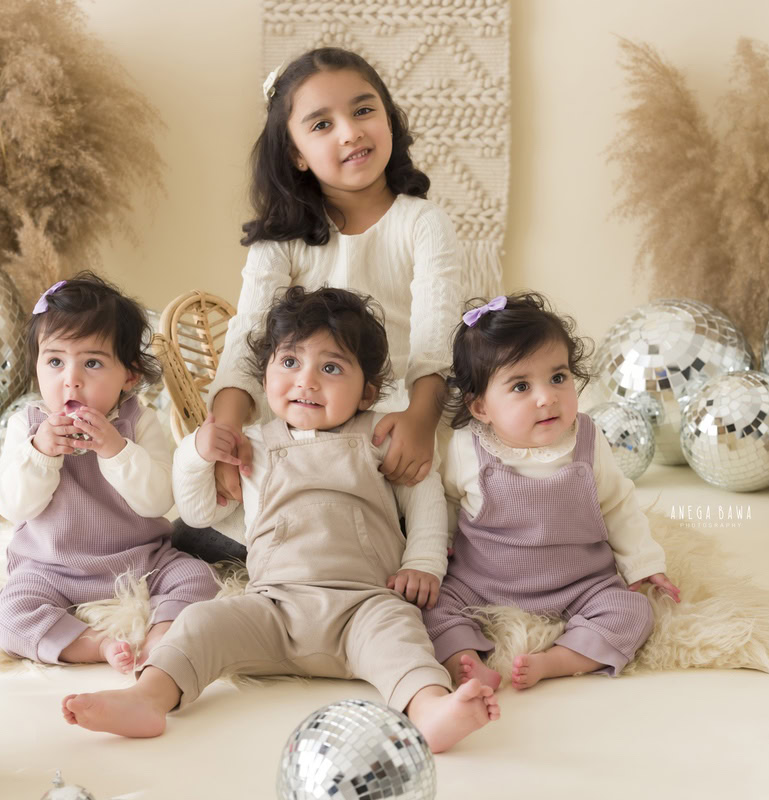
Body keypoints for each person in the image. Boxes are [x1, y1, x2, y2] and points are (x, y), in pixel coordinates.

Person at [62, 287, 499, 752]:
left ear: (368, 391)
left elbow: (423, 490)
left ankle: (430, 709)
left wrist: (424, 563)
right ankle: (148, 697)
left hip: (364, 606)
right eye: (290, 362)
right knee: (201, 623)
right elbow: (198, 512)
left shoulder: (379, 433)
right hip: (273, 608)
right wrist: (197, 452)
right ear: (266, 372)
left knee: (404, 639)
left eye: (330, 368)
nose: (306, 381)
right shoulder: (255, 443)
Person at [173, 47, 464, 563]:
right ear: (296, 154)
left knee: (453, 491)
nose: (349, 132)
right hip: (303, 411)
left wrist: (420, 420)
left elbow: (434, 337)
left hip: (390, 411)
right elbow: (247, 338)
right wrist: (225, 431)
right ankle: (312, 541)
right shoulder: (281, 239)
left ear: (389, 120)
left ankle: (384, 540)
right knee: (189, 533)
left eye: (363, 111)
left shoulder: (423, 222)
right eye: (322, 124)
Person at [425, 293, 682, 691]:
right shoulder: (465, 448)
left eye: (558, 378)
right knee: (430, 607)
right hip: (483, 580)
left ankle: (558, 660)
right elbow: (444, 500)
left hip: (579, 582)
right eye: (521, 386)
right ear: (481, 408)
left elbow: (618, 505)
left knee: (634, 612)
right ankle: (466, 660)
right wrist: (437, 544)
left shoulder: (586, 440)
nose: (547, 397)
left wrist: (644, 564)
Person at [0, 273, 217, 672]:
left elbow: (158, 500)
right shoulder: (27, 426)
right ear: (38, 366)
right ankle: (95, 644)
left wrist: (116, 449)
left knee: (199, 578)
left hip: (140, 562)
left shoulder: (137, 421)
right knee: (7, 615)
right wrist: (41, 453)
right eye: (55, 361)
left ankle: (162, 633)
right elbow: (11, 505)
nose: (70, 379)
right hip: (50, 569)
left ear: (129, 375)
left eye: (92, 363)